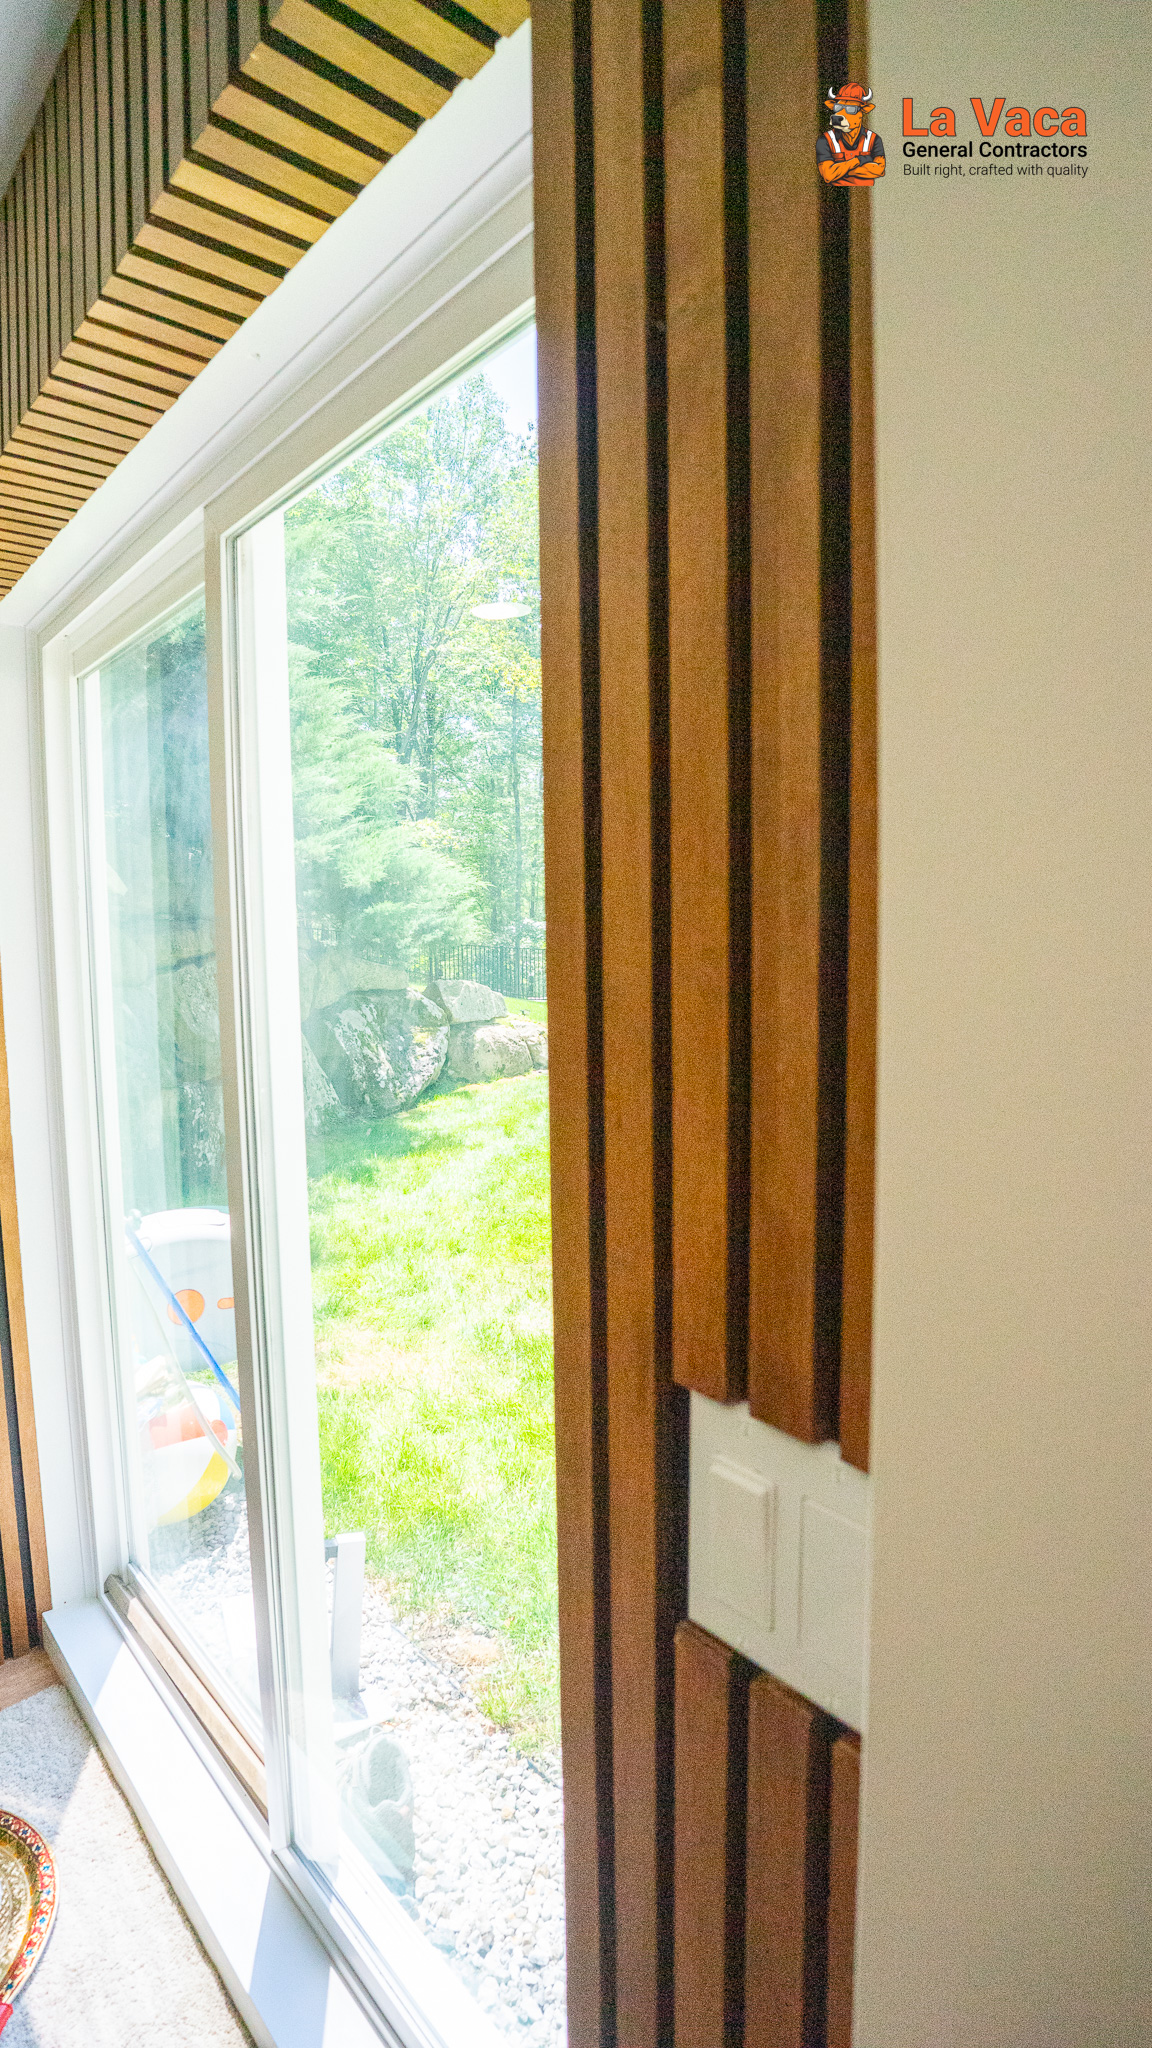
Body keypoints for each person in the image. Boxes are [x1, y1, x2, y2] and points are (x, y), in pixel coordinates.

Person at [817, 83, 886, 186]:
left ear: (863, 112)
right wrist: (858, 161)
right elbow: (828, 175)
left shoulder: (874, 139)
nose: (840, 114)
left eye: (851, 109)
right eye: (838, 108)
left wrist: (842, 171)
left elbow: (879, 170)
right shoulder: (825, 140)